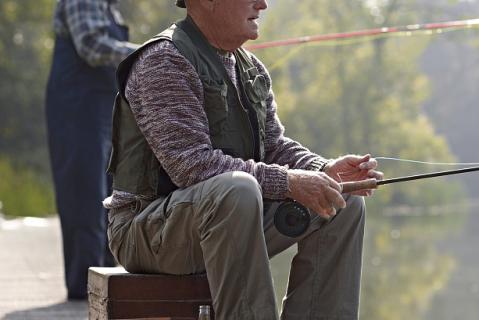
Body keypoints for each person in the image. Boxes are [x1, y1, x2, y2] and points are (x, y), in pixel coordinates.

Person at [103, 0, 383, 318]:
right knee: (237, 191)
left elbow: (274, 148)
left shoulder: (251, 68)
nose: (262, 4)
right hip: (146, 231)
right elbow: (192, 167)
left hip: (226, 215)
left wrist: (322, 170)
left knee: (340, 202)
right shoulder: (163, 61)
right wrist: (289, 182)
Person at [45, 0, 139, 300]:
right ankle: (84, 289)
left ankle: (103, 285)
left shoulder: (109, 8)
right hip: (76, 109)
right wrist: (145, 52)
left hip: (102, 110)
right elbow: (92, 46)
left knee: (109, 197)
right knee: (83, 197)